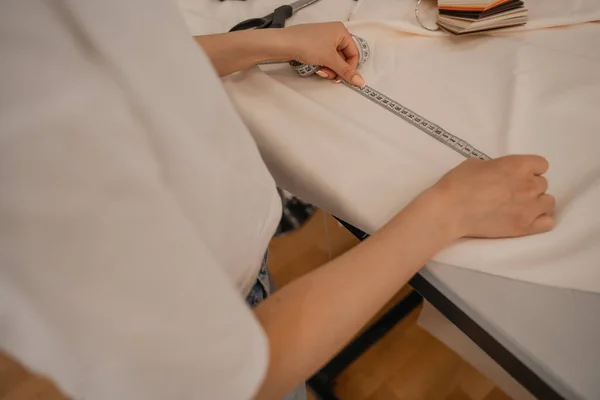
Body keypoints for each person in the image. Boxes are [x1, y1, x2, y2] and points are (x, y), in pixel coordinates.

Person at [0, 1, 555, 400]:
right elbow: (227, 383)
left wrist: (266, 43)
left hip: (237, 269)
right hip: (239, 331)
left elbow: (123, 65)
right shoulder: (22, 120)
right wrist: (448, 209)